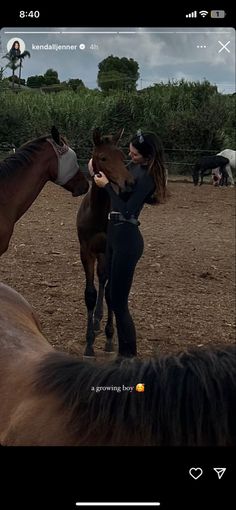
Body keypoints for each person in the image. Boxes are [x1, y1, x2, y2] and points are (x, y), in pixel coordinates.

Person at [92, 130, 168, 358]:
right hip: (115, 235)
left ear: (146, 156)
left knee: (119, 302)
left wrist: (105, 186)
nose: (130, 155)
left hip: (127, 239)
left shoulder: (147, 177)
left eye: (134, 154)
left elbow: (125, 210)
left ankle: (128, 356)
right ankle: (124, 356)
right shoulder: (134, 170)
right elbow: (120, 192)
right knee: (113, 298)